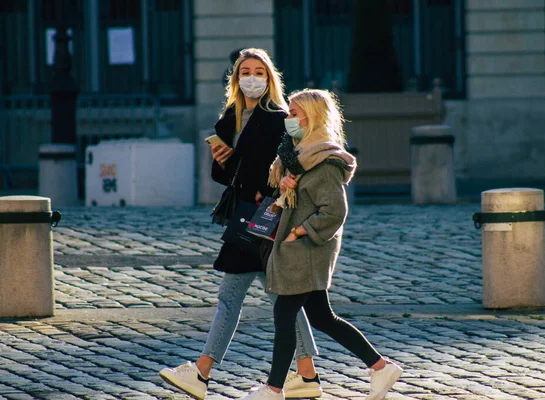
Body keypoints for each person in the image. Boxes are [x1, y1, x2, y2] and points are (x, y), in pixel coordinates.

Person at [159, 49, 322, 400]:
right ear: (236, 79)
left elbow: (284, 166)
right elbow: (224, 176)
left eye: (259, 72)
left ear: (269, 78)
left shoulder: (277, 117)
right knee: (283, 296)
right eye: (245, 71)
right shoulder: (230, 118)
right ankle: (307, 374)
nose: (252, 78)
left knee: (233, 296)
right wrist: (222, 159)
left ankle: (201, 372)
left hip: (262, 216)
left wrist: (267, 192)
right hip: (244, 213)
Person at [241, 89, 403, 400]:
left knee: (285, 316)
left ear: (312, 117)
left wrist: (300, 232)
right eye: (288, 112)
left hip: (306, 250)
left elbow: (335, 211)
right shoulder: (295, 155)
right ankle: (381, 367)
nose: (288, 119)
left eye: (294, 114)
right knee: (321, 317)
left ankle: (273, 389)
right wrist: (285, 184)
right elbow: (295, 196)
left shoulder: (325, 160)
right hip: (297, 249)